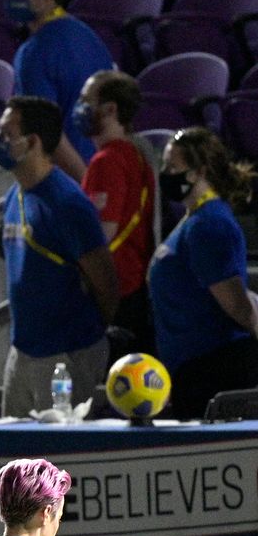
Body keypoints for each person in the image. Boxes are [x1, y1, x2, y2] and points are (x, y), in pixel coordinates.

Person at [0, 96, 119, 418]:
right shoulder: (16, 194)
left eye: (7, 134)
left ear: (33, 142)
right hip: (22, 352)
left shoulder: (67, 203)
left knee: (55, 462)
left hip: (64, 356)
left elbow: (106, 284)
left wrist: (82, 338)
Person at [151, 127, 258, 419]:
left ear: (200, 171)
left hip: (213, 369)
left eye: (174, 167)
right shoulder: (193, 219)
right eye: (164, 166)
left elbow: (238, 305)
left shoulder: (208, 224)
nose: (166, 173)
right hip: (190, 368)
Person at [6, 0, 109, 182]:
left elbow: (46, 134)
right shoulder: (88, 35)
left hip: (71, 181)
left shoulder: (33, 53)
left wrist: (85, 185)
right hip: (105, 173)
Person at [76, 70, 158, 354]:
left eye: (86, 101)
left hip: (115, 293)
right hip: (132, 286)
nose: (80, 108)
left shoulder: (106, 162)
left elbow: (101, 235)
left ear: (110, 109)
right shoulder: (135, 155)